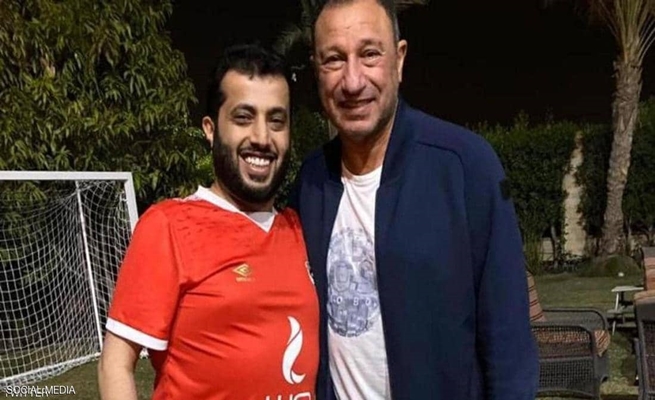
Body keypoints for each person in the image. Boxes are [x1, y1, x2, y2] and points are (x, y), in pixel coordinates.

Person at [289, 0, 539, 399]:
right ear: (317, 70)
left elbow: (509, 341)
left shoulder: (465, 167)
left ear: (400, 59)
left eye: (370, 54)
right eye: (334, 59)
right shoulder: (311, 183)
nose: (352, 81)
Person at [98, 43, 319, 400]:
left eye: (276, 121)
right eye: (243, 118)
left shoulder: (299, 227)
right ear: (211, 129)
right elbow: (115, 364)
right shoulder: (168, 226)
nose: (262, 137)